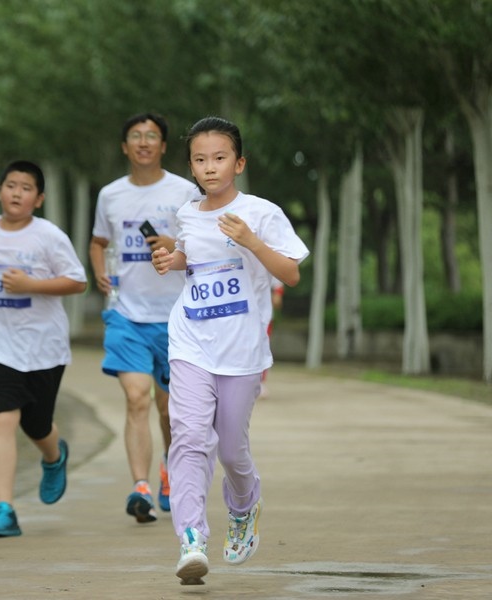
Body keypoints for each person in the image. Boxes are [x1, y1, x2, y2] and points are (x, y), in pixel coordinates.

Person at [151, 116, 309, 584]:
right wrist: (171, 260)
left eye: (219, 158)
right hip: (190, 341)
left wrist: (251, 241)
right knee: (188, 436)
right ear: (191, 167)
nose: (209, 167)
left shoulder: (261, 213)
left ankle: (244, 505)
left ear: (238, 163)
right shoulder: (187, 213)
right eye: (200, 160)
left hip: (241, 350)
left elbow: (291, 274)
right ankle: (191, 538)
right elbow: (192, 260)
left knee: (232, 450)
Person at [0, 160, 87, 538]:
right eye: (11, 185)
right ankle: (4, 509)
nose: (17, 193)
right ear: (0, 191)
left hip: (43, 347)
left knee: (36, 423)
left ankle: (54, 455)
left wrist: (32, 285)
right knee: (1, 418)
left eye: (26, 188)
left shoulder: (48, 236)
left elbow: (77, 282)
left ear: (39, 199)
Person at [89, 113, 197, 523]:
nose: (144, 142)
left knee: (168, 409)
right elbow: (98, 241)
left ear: (163, 146)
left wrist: (173, 243)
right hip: (126, 314)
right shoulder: (110, 195)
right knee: (137, 399)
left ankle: (169, 468)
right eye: (136, 136)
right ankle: (141, 488)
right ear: (125, 146)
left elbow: (202, 242)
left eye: (152, 136)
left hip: (175, 316)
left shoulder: (185, 191)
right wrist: (100, 271)